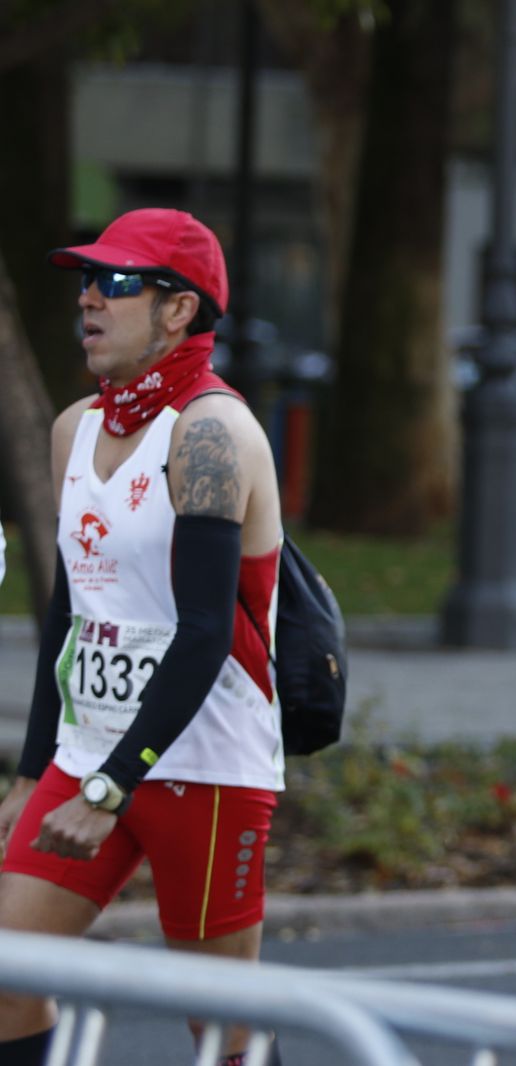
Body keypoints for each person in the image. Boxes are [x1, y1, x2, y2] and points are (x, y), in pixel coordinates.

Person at [0, 209, 285, 1066]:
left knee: (218, 1032)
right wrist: (32, 769)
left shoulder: (210, 433)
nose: (89, 298)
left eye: (117, 282)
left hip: (204, 766)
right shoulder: (73, 428)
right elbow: (69, 612)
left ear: (179, 310)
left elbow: (202, 634)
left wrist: (111, 787)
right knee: (9, 969)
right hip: (92, 753)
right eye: (86, 280)